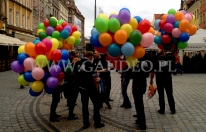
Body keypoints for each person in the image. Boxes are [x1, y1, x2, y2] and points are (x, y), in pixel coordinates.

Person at [78, 51, 105, 129]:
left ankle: (85, 122)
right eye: (92, 57)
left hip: (82, 87)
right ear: (90, 56)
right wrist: (98, 78)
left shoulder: (78, 63)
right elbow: (95, 74)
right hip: (90, 87)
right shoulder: (89, 63)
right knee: (96, 104)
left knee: (85, 106)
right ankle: (97, 122)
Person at [150, 50, 176, 115]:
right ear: (164, 52)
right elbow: (174, 61)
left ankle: (162, 109)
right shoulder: (168, 58)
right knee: (170, 94)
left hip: (159, 79)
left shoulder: (155, 59)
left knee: (161, 94)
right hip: (168, 79)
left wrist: (151, 79)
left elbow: (152, 71)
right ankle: (173, 109)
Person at [132, 53, 150, 130]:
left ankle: (142, 125)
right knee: (139, 103)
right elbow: (147, 75)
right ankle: (140, 120)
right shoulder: (146, 61)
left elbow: (131, 75)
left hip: (137, 84)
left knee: (139, 104)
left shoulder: (134, 61)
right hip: (143, 84)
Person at [64, 51, 79, 120]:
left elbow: (66, 75)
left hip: (69, 86)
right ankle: (70, 115)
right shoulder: (74, 69)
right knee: (72, 101)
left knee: (71, 101)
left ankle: (71, 113)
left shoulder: (68, 66)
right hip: (73, 86)